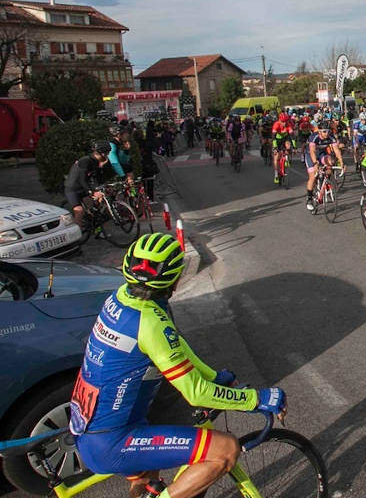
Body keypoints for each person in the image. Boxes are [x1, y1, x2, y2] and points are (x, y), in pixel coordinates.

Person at [70, 233, 286, 498]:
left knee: (148, 479)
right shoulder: (151, 322)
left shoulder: (121, 299)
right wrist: (257, 398)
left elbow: (176, 349)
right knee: (226, 449)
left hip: (94, 427)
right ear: (174, 280)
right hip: (113, 440)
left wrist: (213, 375)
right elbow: (195, 393)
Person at [65, 141, 112, 226]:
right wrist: (93, 192)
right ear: (103, 153)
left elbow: (96, 178)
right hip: (73, 189)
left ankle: (96, 228)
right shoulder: (85, 161)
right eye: (107, 153)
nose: (108, 155)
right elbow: (82, 180)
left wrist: (102, 188)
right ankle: (75, 234)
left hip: (83, 188)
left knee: (94, 206)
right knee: (79, 211)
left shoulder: (96, 162)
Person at [304, 121, 343, 210]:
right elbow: (313, 152)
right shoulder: (314, 137)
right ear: (319, 131)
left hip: (322, 154)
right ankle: (309, 199)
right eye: (324, 131)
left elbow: (336, 150)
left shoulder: (330, 137)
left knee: (330, 162)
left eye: (328, 131)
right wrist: (315, 164)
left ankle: (326, 182)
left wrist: (341, 162)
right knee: (313, 176)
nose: (326, 133)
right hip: (310, 155)